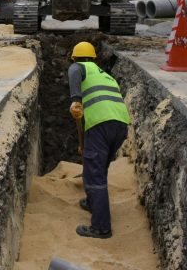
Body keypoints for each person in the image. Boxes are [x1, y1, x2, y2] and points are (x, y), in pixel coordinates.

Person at [67, 41, 131, 239]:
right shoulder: (105, 75)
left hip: (101, 124)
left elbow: (73, 73)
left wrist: (75, 99)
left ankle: (101, 227)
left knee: (95, 175)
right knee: (98, 166)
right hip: (120, 125)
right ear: (94, 58)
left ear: (75, 58)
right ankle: (92, 201)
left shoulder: (78, 67)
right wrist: (85, 145)